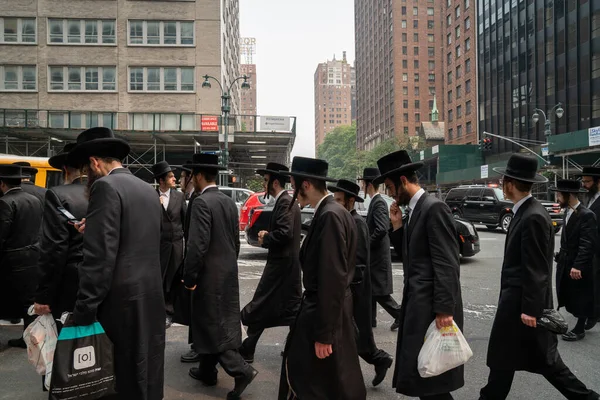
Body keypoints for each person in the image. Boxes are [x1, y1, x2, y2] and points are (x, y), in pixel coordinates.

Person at [479, 154, 599, 400]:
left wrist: (531, 310)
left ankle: (588, 398)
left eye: (504, 179)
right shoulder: (525, 211)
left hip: (523, 308)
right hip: (519, 305)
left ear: (509, 183)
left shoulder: (532, 215)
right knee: (506, 362)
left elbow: (535, 268)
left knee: (546, 363)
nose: (502, 182)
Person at [69, 127, 165, 400]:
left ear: (94, 162)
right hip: (150, 294)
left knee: (119, 375)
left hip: (120, 301)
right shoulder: (147, 188)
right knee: (146, 366)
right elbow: (140, 237)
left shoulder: (105, 186)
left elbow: (99, 260)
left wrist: (83, 310)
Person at [373, 150, 464, 400]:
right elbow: (414, 257)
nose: (389, 193)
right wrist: (398, 227)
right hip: (418, 306)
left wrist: (445, 309)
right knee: (426, 377)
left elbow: (447, 263)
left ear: (403, 181)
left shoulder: (434, 208)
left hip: (431, 309)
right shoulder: (414, 210)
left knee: (432, 380)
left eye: (390, 186)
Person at [278, 157, 366, 400]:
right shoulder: (334, 212)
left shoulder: (330, 215)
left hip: (324, 313)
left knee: (318, 385)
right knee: (324, 383)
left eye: (294, 185)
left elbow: (333, 277)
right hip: (329, 311)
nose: (292, 192)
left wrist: (324, 333)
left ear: (305, 185)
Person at [182, 153, 258, 399]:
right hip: (227, 271)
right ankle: (206, 371)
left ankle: (241, 370)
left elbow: (197, 245)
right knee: (217, 321)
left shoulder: (201, 203)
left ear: (199, 175)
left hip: (208, 274)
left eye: (192, 174)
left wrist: (190, 277)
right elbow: (235, 240)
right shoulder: (226, 201)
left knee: (211, 324)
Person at [328, 179, 394, 387]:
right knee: (353, 337)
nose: (336, 203)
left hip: (356, 290)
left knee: (354, 336)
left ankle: (378, 359)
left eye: (339, 200)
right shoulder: (346, 219)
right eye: (334, 199)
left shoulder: (357, 223)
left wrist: (347, 288)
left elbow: (359, 263)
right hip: (350, 289)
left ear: (350, 201)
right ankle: (377, 360)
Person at [239, 162, 302, 363]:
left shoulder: (285, 201)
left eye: (266, 181)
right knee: (284, 309)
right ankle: (292, 347)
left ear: (275, 182)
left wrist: (266, 237)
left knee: (261, 307)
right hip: (285, 267)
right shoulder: (285, 200)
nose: (264, 185)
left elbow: (285, 233)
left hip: (281, 268)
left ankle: (247, 349)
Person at [34, 143, 87, 323]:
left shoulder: (57, 194)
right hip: (102, 276)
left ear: (64, 169)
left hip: (70, 279)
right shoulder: (102, 191)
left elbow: (54, 247)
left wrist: (44, 295)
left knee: (67, 337)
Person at [0, 164, 43, 348]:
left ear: (2, 183)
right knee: (28, 301)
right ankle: (29, 339)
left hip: (11, 260)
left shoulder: (5, 202)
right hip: (32, 255)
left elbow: (2, 233)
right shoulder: (34, 199)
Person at [551, 179, 597, 342]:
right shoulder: (568, 211)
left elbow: (587, 243)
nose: (557, 197)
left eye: (558, 194)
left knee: (581, 295)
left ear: (568, 195)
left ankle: (580, 328)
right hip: (566, 260)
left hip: (578, 264)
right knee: (569, 293)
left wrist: (578, 265)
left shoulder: (587, 215)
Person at [359, 167, 400, 330]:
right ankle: (370, 320)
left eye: (363, 182)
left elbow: (382, 228)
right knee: (371, 290)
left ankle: (400, 314)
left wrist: (367, 244)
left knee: (380, 292)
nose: (362, 186)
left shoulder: (379, 202)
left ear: (368, 184)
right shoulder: (376, 202)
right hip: (375, 256)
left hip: (377, 257)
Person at [152, 161, 186, 329]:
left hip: (176, 245)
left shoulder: (179, 197)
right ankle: (158, 310)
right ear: (161, 180)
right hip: (158, 246)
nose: (174, 179)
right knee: (159, 279)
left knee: (173, 280)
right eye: (171, 176)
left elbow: (185, 222)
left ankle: (170, 312)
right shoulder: (151, 196)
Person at [578, 166, 600, 330]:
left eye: (587, 181)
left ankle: (593, 314)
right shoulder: (588, 198)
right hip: (590, 249)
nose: (584, 184)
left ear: (598, 182)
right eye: (583, 181)